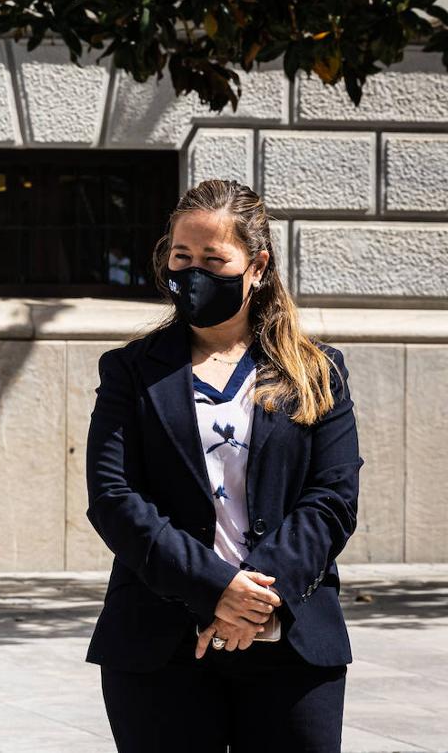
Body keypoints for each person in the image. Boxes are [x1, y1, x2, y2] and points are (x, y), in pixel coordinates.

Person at [84, 179, 363, 752]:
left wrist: (256, 596)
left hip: (291, 644)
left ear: (256, 266)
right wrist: (215, 589)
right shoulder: (131, 371)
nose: (193, 273)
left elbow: (332, 499)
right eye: (181, 257)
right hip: (161, 646)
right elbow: (113, 496)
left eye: (214, 260)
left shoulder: (316, 371)